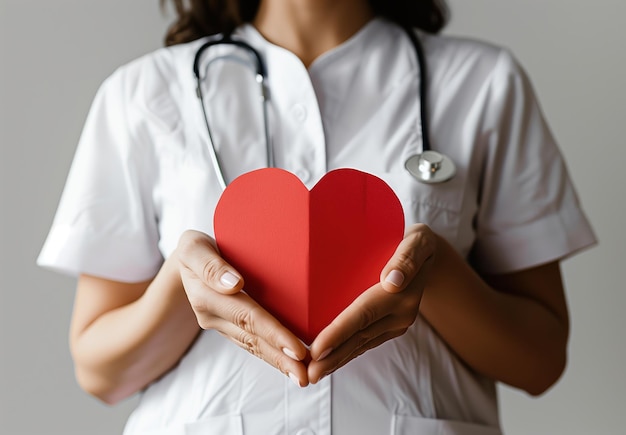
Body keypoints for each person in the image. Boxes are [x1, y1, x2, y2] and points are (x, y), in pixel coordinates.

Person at [38, 0, 596, 433]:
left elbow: (540, 361)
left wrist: (437, 273)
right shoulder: (142, 94)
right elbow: (100, 372)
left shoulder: (484, 84)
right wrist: (182, 288)